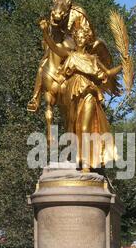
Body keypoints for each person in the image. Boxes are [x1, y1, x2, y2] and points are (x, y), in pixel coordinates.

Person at [39, 20, 122, 169]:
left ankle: (86, 163)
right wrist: (45, 31)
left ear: (88, 39)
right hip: (71, 94)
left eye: (83, 36)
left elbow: (108, 73)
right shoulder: (70, 56)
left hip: (88, 91)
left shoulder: (93, 59)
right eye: (77, 36)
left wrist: (124, 65)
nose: (80, 39)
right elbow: (53, 47)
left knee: (85, 128)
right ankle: (76, 158)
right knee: (73, 127)